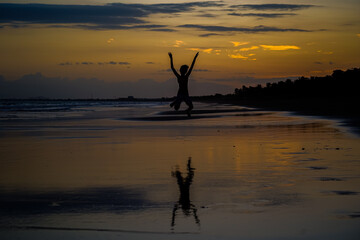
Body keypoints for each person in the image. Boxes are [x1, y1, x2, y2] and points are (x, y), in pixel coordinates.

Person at [168, 52, 199, 117]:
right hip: (182, 94)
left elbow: (172, 68)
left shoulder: (181, 77)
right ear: (185, 71)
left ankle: (176, 103)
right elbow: (191, 67)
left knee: (190, 106)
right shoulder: (184, 76)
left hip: (183, 94)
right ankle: (175, 103)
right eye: (186, 70)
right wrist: (195, 57)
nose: (186, 71)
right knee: (183, 107)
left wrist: (171, 58)